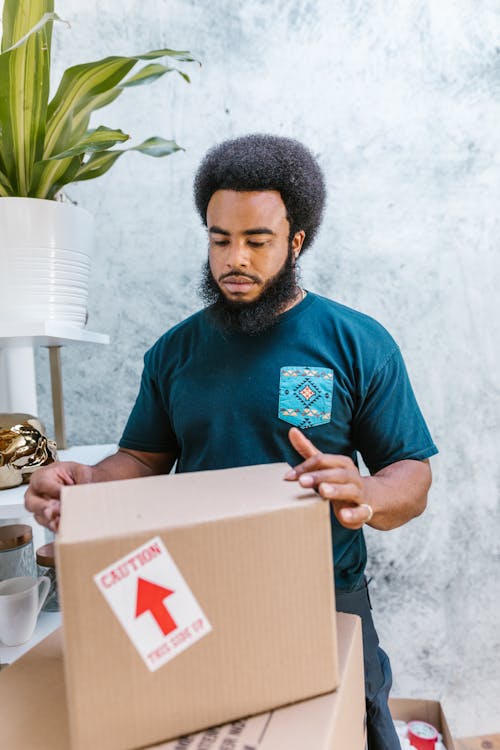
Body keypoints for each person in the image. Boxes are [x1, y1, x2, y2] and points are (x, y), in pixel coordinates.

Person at [25, 133, 438, 750]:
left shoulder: (357, 342)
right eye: (220, 239)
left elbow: (412, 473)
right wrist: (87, 484)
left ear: (297, 241)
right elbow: (141, 457)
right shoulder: (175, 351)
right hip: (198, 587)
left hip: (326, 590)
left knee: (353, 727)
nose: (233, 258)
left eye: (257, 241)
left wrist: (369, 492)